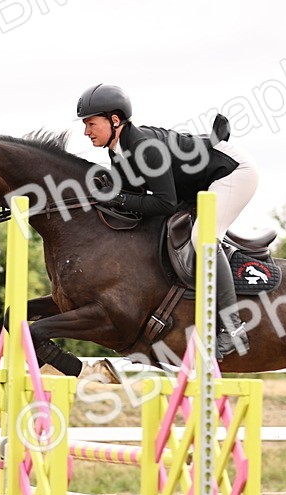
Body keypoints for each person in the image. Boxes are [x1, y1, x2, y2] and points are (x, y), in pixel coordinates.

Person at [76, 83, 259, 359]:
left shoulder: (145, 147)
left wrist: (116, 198)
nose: (86, 132)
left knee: (203, 237)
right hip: (199, 185)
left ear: (114, 120)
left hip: (232, 173)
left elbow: (164, 203)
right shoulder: (117, 151)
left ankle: (233, 330)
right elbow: (133, 200)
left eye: (90, 124)